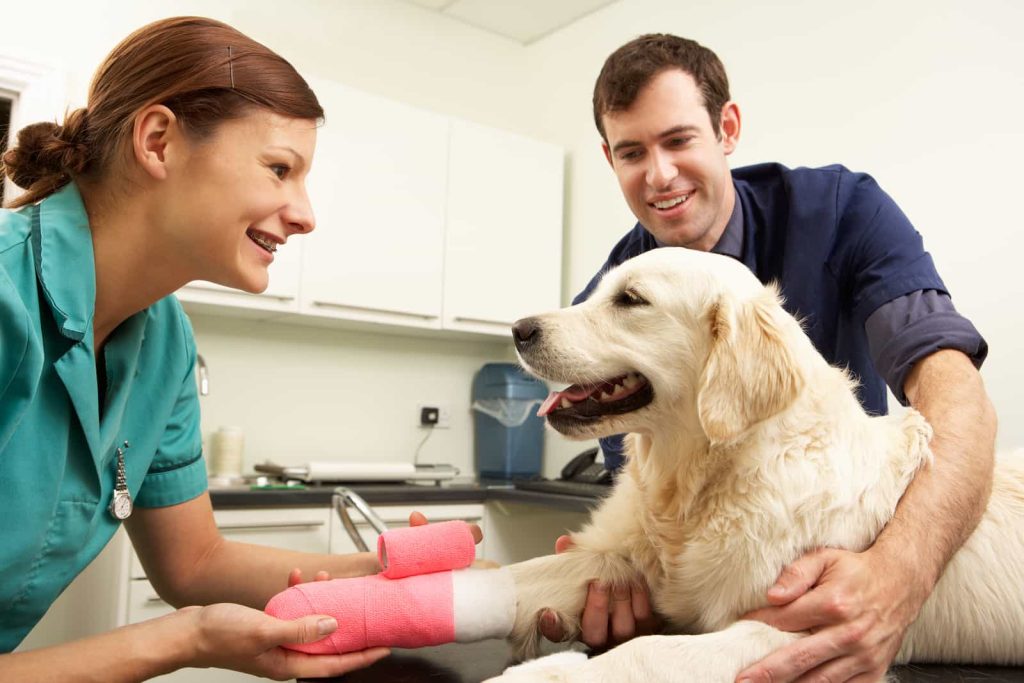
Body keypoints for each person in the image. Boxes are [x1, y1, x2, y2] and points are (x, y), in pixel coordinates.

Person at [0, 16, 480, 681]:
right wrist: (182, 641)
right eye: (280, 169)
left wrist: (383, 571)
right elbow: (191, 609)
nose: (306, 213)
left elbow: (194, 563)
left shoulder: (164, 342)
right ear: (160, 141)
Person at [539, 33, 997, 683]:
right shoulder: (618, 297)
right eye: (632, 152)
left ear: (727, 128)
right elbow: (652, 507)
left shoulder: (844, 213)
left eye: (678, 140)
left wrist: (898, 574)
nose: (659, 174)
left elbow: (959, 401)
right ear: (609, 158)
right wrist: (635, 589)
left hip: (841, 543)